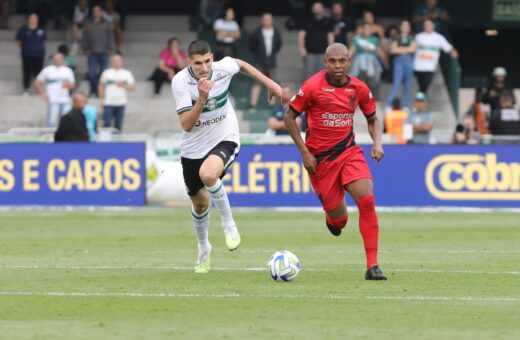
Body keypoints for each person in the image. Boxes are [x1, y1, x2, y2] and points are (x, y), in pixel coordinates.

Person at [171, 40, 282, 274]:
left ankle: (229, 224)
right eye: (198, 63)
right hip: (193, 147)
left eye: (207, 61)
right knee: (200, 204)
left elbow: (241, 65)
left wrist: (270, 84)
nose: (204, 67)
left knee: (209, 174)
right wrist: (201, 98)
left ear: (213, 57)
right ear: (188, 62)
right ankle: (204, 248)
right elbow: (186, 125)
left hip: (225, 137)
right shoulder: (180, 82)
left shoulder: (223, 68)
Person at [284, 43, 387, 281]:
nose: (338, 66)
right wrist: (304, 152)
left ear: (349, 61)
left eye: (342, 61)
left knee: (367, 199)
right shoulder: (312, 86)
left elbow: (373, 119)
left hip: (348, 152)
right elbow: (289, 117)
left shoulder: (358, 88)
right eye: (333, 61)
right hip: (319, 162)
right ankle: (333, 219)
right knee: (339, 221)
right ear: (325, 62)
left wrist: (377, 143)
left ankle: (373, 266)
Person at [413, 19, 457, 94]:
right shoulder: (418, 37)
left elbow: (448, 48)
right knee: (421, 86)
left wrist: (453, 52)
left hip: (430, 67)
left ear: (433, 26)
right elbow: (412, 49)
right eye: (426, 25)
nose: (427, 27)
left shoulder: (439, 38)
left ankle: (420, 101)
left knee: (424, 86)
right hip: (418, 66)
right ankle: (421, 101)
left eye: (429, 25)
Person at [248, 12, 282, 109]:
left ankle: (272, 105)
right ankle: (253, 104)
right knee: (256, 83)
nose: (266, 21)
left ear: (272, 21)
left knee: (272, 84)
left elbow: (278, 45)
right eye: (265, 19)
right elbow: (252, 45)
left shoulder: (276, 32)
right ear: (262, 21)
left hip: (271, 61)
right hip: (259, 62)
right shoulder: (257, 32)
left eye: (268, 19)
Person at [34, 52, 75, 127]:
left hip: (64, 99)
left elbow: (73, 85)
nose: (58, 60)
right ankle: (50, 135)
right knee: (52, 120)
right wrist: (43, 93)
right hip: (52, 99)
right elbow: (37, 82)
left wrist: (67, 85)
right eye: (56, 59)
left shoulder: (68, 70)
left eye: (60, 59)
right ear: (53, 60)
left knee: (66, 120)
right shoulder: (47, 70)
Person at [82, 4, 114, 97]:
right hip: (92, 52)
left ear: (101, 12)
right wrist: (85, 49)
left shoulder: (107, 22)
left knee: (103, 73)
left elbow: (111, 36)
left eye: (98, 11)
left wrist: (110, 48)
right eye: (94, 11)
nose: (96, 13)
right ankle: (93, 91)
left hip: (104, 51)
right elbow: (84, 37)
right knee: (91, 73)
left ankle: (101, 92)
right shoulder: (88, 23)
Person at [349, 21, 387, 97]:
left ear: (371, 30)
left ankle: (373, 96)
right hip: (360, 61)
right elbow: (351, 51)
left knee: (375, 77)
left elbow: (380, 52)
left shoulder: (375, 39)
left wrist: (386, 63)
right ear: (362, 30)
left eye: (368, 29)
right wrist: (346, 61)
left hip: (372, 61)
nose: (367, 30)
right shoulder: (357, 39)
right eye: (365, 28)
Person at [385, 20, 416, 111]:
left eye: (407, 26)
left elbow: (413, 49)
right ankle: (389, 104)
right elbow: (393, 50)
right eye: (404, 26)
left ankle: (406, 105)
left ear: (409, 28)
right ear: (400, 27)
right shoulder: (396, 37)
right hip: (399, 61)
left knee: (407, 84)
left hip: (409, 61)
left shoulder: (412, 37)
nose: (406, 28)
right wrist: (407, 49)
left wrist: (400, 49)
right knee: (396, 83)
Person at [98, 54, 135, 131]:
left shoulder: (127, 73)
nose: (116, 63)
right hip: (108, 102)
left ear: (122, 62)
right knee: (106, 123)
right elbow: (101, 86)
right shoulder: (106, 73)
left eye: (118, 61)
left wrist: (124, 85)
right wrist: (101, 100)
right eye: (114, 61)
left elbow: (132, 87)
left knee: (118, 124)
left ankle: (118, 142)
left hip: (121, 102)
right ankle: (105, 141)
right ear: (111, 62)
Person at [298, 2, 334, 81]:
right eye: (315, 7)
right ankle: (306, 92)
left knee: (323, 74)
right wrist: (302, 48)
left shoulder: (327, 21)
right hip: (309, 51)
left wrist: (330, 49)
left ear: (322, 9)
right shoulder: (307, 20)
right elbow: (301, 35)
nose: (317, 9)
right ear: (312, 9)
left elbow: (330, 35)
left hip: (323, 52)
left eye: (319, 7)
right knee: (308, 74)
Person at [15, 13, 46, 95]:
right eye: (31, 18)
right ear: (28, 19)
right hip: (27, 54)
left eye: (35, 18)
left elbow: (44, 40)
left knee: (38, 72)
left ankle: (38, 89)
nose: (33, 20)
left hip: (39, 54)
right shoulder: (23, 29)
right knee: (27, 72)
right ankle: (26, 88)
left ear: (37, 20)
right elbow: (18, 41)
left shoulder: (41, 29)